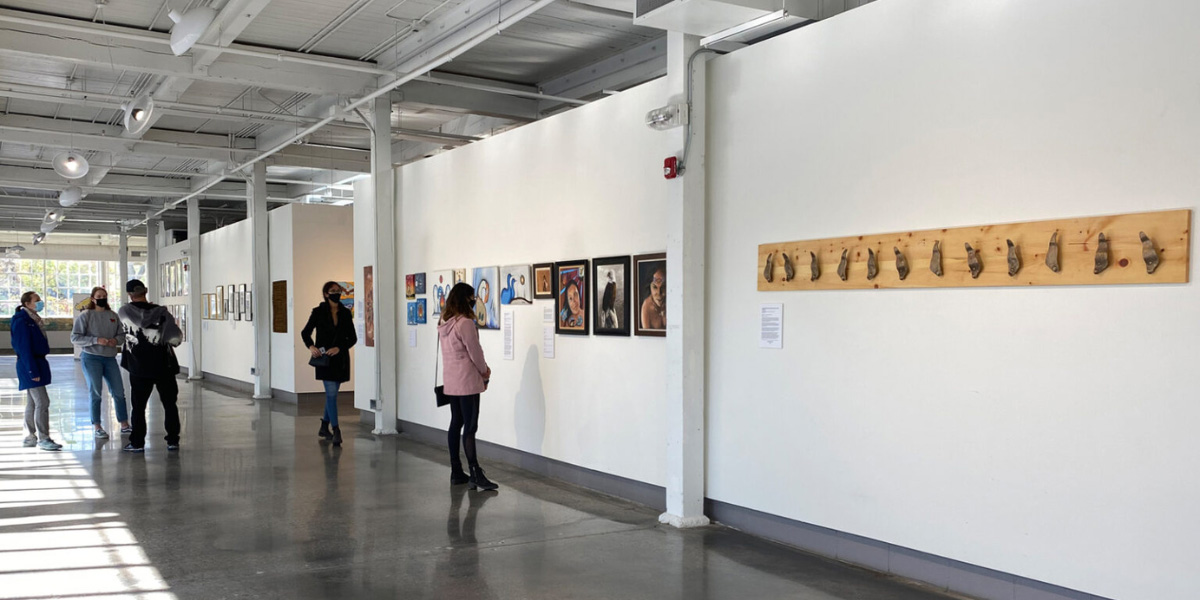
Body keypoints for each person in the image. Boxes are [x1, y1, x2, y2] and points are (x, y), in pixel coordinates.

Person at [438, 283, 498, 491]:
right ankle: (475, 472)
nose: (474, 300)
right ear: (465, 299)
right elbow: (475, 352)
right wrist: (485, 372)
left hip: (452, 382)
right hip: (468, 382)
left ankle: (456, 471)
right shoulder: (465, 323)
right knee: (470, 427)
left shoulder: (445, 322)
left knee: (456, 423)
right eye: (472, 297)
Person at [118, 279, 183, 453]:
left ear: (129, 294)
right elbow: (175, 338)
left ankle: (137, 442)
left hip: (138, 366)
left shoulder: (124, 311)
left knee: (138, 407)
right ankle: (173, 441)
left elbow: (119, 333)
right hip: (163, 366)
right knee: (170, 404)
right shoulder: (161, 312)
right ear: (145, 291)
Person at [301, 281, 357, 446]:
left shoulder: (346, 313)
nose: (337, 293)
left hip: (340, 360)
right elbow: (305, 332)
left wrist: (340, 348)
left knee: (331, 395)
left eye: (338, 291)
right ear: (326, 294)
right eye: (333, 291)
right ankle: (336, 430)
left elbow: (352, 338)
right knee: (331, 394)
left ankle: (324, 427)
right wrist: (311, 346)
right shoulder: (318, 312)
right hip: (324, 359)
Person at [71, 286, 130, 438]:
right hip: (91, 358)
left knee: (118, 392)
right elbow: (75, 337)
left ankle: (124, 423)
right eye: (99, 295)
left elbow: (122, 335)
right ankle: (97, 425)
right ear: (93, 298)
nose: (102, 298)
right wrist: (96, 340)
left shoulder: (113, 315)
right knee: (95, 392)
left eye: (104, 295)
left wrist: (115, 341)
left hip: (110, 358)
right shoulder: (86, 315)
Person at [11, 291, 61, 451]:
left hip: (37, 362)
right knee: (42, 402)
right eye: (37, 300)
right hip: (30, 364)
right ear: (27, 304)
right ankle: (43, 438)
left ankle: (30, 435)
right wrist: (32, 371)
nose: (40, 302)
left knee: (33, 402)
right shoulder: (22, 321)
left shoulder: (33, 319)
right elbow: (23, 348)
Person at [640, 266, 665, 330]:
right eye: (655, 287)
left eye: (663, 287)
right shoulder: (646, 307)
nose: (659, 293)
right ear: (650, 287)